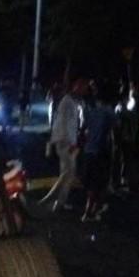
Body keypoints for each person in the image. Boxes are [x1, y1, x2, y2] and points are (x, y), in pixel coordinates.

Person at [40, 78, 89, 212]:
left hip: (65, 141)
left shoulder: (71, 101)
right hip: (66, 142)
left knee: (67, 173)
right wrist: (73, 143)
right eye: (83, 87)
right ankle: (51, 199)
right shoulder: (68, 101)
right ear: (77, 87)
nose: (85, 91)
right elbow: (65, 124)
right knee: (68, 172)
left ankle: (58, 202)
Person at [81, 83, 116, 221]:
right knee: (99, 181)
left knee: (90, 182)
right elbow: (115, 126)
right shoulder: (108, 111)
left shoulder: (89, 110)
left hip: (89, 149)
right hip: (101, 150)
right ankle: (90, 211)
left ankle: (94, 208)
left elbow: (83, 128)